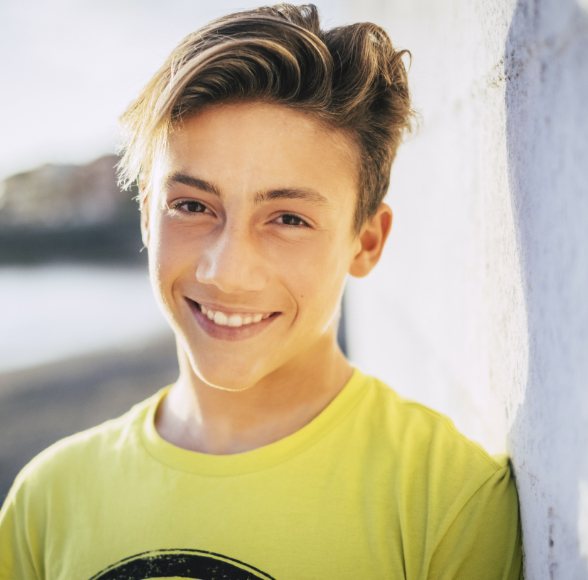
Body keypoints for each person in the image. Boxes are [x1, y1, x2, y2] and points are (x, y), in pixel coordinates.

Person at [0, 4, 522, 578]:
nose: (227, 272)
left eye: (288, 219)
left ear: (366, 242)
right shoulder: (45, 503)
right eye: (193, 206)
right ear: (148, 217)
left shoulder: (447, 500)